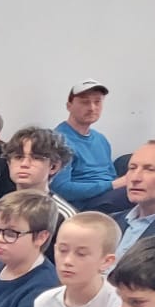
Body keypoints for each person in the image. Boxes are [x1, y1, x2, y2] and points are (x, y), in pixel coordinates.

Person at [52, 80, 128, 213]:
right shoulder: (59, 141)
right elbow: (62, 189)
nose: (92, 108)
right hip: (84, 205)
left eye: (97, 102)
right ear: (69, 106)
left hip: (110, 196)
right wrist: (112, 185)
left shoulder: (101, 139)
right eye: (85, 102)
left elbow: (111, 176)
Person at [6, 126, 79, 234]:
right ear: (8, 163)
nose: (24, 164)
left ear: (53, 167)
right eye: (18, 157)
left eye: (36, 158)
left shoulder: (65, 217)